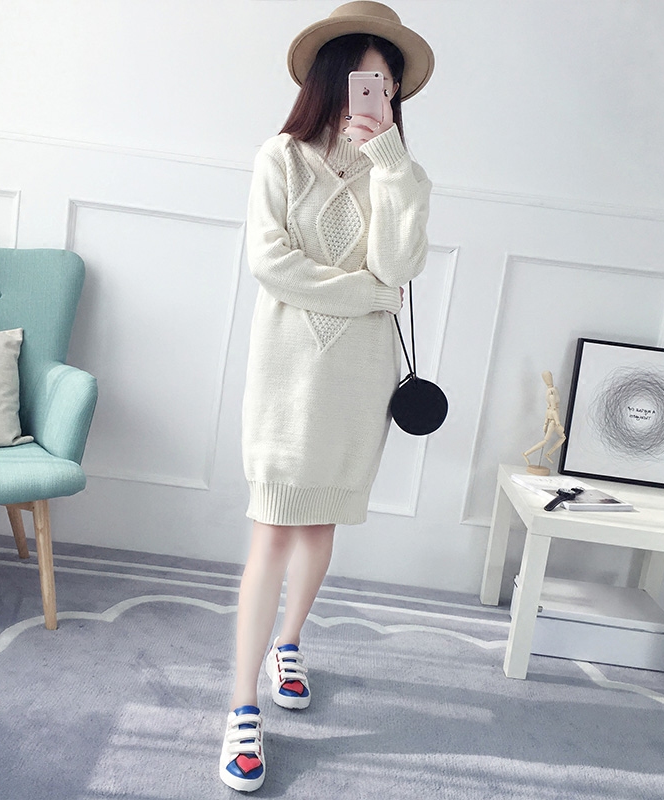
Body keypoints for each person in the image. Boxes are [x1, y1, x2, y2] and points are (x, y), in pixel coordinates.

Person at [219, 2, 434, 791]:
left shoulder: (404, 177)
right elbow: (272, 265)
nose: (376, 93)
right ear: (332, 77)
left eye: (387, 82)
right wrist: (367, 293)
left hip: (355, 382)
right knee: (272, 531)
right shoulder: (279, 156)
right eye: (364, 77)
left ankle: (291, 642)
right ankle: (242, 706)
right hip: (286, 378)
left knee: (319, 522)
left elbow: (398, 269)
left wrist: (391, 165)